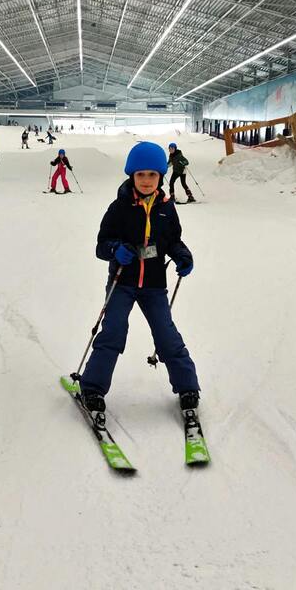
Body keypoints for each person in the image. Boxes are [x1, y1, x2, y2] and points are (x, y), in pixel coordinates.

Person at [77, 141, 200, 418]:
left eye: (152, 174)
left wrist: (183, 255)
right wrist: (115, 250)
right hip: (123, 282)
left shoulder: (167, 209)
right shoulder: (119, 208)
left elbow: (172, 241)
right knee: (113, 332)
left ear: (160, 176)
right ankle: (92, 388)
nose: (146, 180)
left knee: (166, 335)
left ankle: (187, 387)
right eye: (141, 174)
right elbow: (101, 245)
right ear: (132, 175)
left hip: (155, 285)